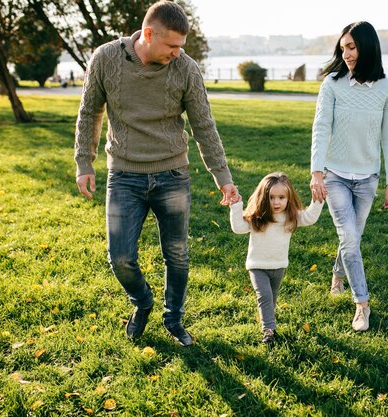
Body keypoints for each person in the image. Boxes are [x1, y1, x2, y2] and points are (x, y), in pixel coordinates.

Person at [74, 1, 239, 347]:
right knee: (120, 258)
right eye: (173, 46)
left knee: (177, 255)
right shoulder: (106, 59)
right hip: (124, 175)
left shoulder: (186, 69)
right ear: (148, 34)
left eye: (182, 46)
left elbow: (203, 125)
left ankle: (174, 319)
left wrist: (222, 176)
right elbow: (89, 112)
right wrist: (84, 162)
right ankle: (143, 301)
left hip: (172, 174)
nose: (179, 53)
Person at [310, 21, 388, 332]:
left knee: (352, 238)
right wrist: (316, 172)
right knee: (349, 237)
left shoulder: (387, 89)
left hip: (368, 179)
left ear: (367, 47)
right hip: (334, 175)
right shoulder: (332, 85)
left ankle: (338, 275)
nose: (345, 53)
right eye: (342, 47)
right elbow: (321, 130)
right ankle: (362, 304)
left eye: (351, 47)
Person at [230, 173, 323, 344]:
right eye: (271, 197)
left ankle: (268, 323)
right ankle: (269, 331)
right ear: (264, 198)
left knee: (271, 298)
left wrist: (318, 199)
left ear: (289, 198)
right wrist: (236, 206)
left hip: (279, 266)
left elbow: (310, 218)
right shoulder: (258, 217)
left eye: (281, 197)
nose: (276, 202)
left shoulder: (290, 217)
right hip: (257, 266)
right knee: (264, 296)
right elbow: (238, 228)